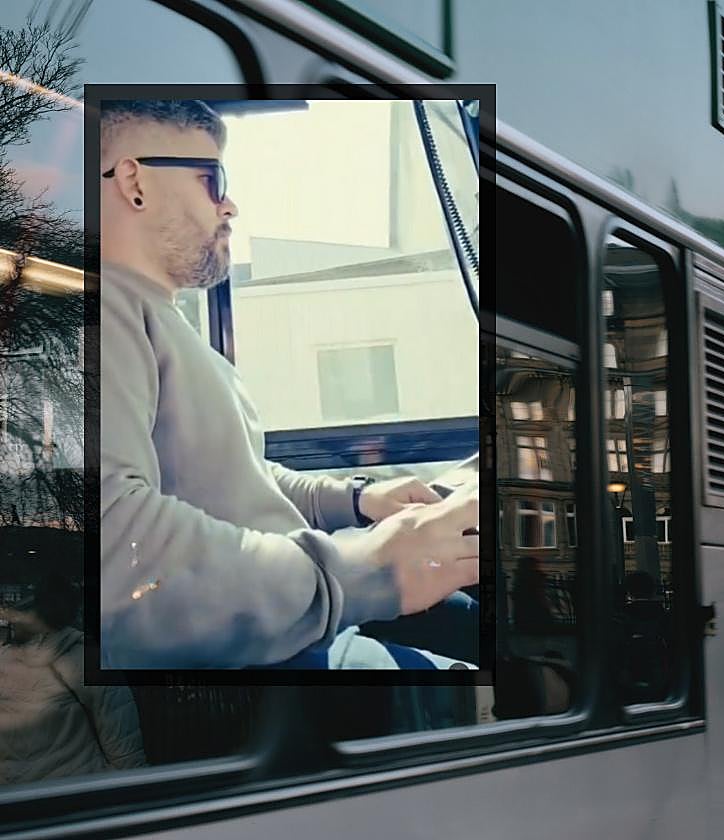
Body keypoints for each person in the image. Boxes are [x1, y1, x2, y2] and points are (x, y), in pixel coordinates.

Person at [99, 99, 478, 668]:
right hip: (279, 639)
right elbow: (119, 542)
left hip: (301, 608)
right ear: (135, 183)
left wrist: (358, 499)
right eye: (211, 179)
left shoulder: (166, 324)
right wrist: (362, 570)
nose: (229, 205)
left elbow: (240, 478)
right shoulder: (104, 311)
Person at [0, 575, 146, 783]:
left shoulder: (4, 660)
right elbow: (124, 748)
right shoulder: (87, 660)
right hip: (77, 793)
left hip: (17, 801)